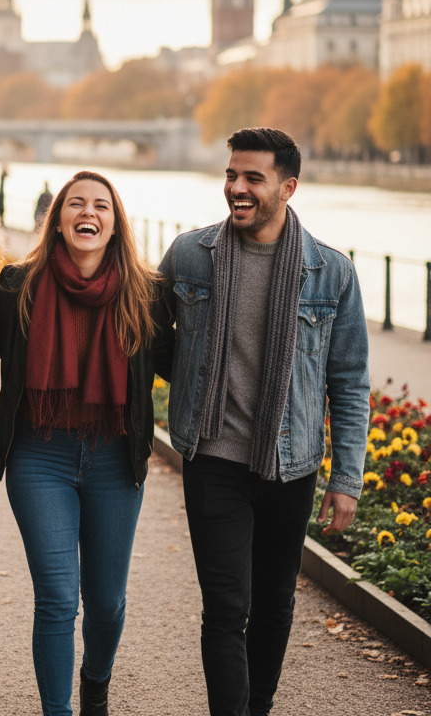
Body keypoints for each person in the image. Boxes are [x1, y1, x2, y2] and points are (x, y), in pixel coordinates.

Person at [157, 127, 370, 716]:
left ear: (288, 187)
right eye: (232, 175)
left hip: (291, 464)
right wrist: (199, 382)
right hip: (215, 462)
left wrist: (346, 479)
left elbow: (349, 384)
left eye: (253, 178)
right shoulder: (188, 255)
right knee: (226, 607)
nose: (237, 188)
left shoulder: (331, 273)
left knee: (275, 603)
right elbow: (145, 335)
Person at [0, 170, 162, 716]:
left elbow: (189, 365)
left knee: (105, 603)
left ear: (114, 223)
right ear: (57, 219)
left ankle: (96, 682)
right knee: (58, 600)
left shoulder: (146, 294)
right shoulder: (17, 286)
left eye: (100, 205)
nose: (88, 212)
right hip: (40, 455)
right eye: (75, 203)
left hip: (114, 456)